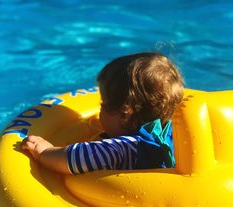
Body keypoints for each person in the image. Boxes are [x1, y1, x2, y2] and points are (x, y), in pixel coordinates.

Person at [21, 52, 184, 174]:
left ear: (124, 114)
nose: (100, 109)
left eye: (103, 105)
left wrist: (44, 152)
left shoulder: (124, 148)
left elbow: (75, 158)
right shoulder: (173, 132)